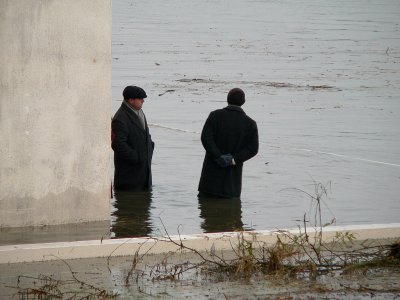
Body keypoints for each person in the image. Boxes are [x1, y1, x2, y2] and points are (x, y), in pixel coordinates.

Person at [198, 88, 259, 198]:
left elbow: (206, 138)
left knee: (205, 211)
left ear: (227, 99)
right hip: (231, 185)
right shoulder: (250, 124)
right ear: (243, 102)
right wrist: (232, 159)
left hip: (208, 181)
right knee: (231, 212)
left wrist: (218, 156)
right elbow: (252, 149)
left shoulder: (214, 115)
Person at [111, 86, 154, 191]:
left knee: (144, 205)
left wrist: (150, 146)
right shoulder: (120, 118)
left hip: (144, 174)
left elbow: (145, 134)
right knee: (130, 205)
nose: (143, 101)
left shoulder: (139, 112)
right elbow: (118, 145)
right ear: (130, 100)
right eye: (140, 98)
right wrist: (136, 157)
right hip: (129, 176)